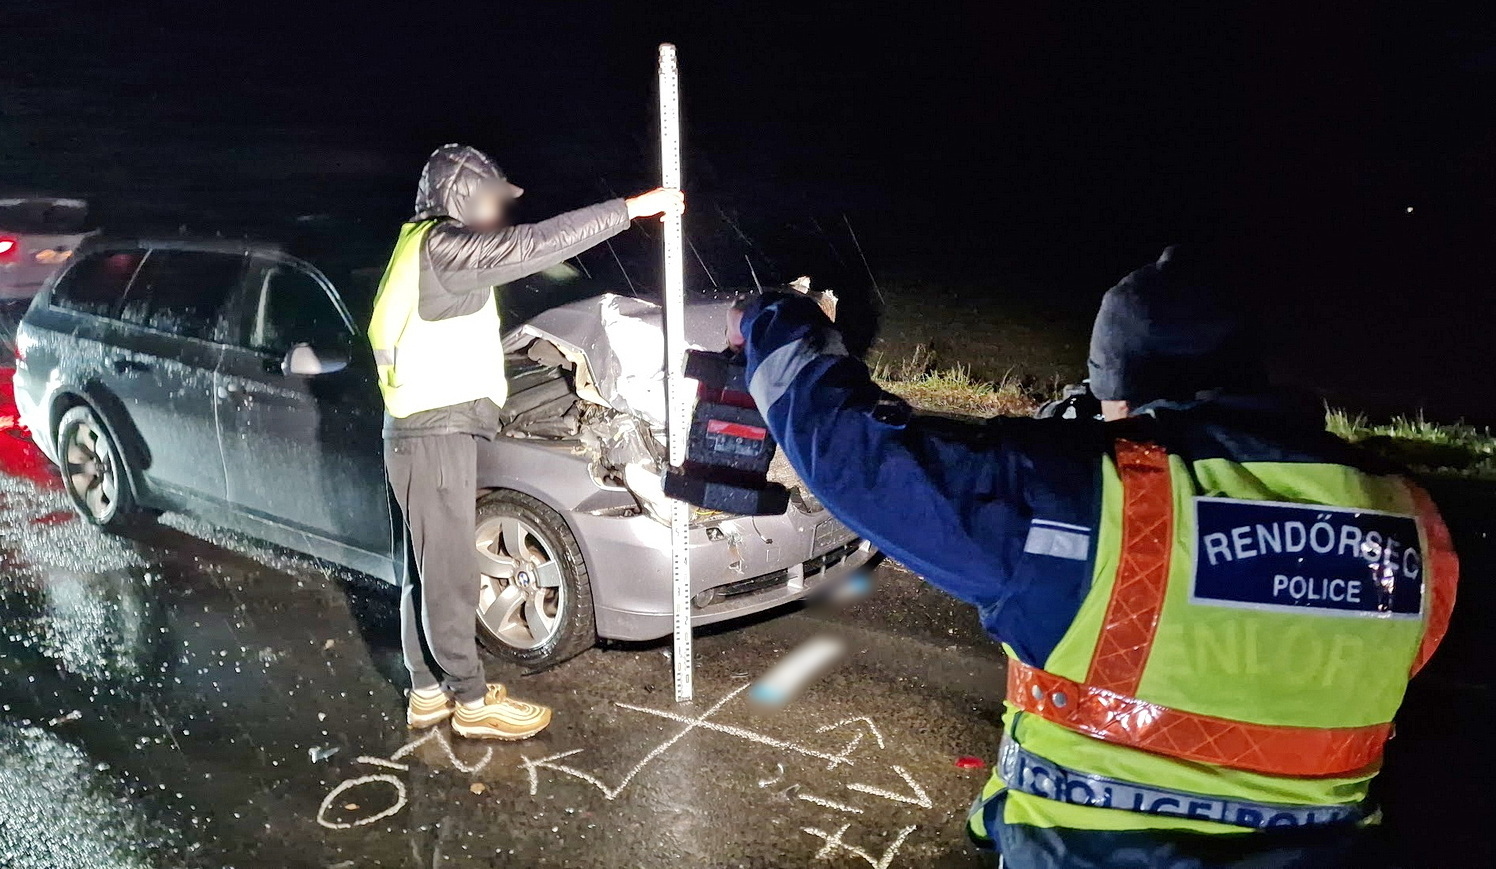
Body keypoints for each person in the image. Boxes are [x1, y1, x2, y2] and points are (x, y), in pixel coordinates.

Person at [727, 245, 1458, 868]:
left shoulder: (1096, 499)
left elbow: (860, 458)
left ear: (1123, 391)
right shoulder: (1411, 518)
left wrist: (775, 320)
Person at [368, 143, 683, 740]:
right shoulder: (443, 248)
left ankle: (427, 690)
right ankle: (470, 698)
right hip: (434, 432)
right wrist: (630, 209)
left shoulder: (417, 248)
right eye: (489, 200)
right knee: (450, 571)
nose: (497, 214)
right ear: (461, 196)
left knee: (426, 566)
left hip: (418, 430)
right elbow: (534, 246)